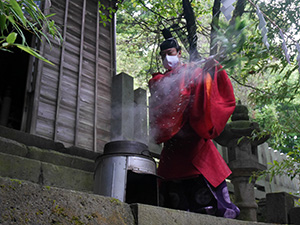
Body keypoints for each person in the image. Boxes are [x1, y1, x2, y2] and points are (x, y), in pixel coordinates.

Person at [149, 30, 240, 218]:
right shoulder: (160, 81)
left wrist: (210, 70)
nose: (167, 58)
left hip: (195, 144)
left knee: (209, 206)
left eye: (171, 53)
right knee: (173, 208)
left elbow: (207, 92)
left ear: (179, 52)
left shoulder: (193, 71)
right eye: (164, 55)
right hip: (173, 148)